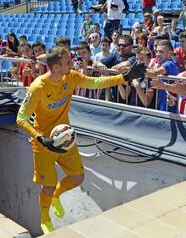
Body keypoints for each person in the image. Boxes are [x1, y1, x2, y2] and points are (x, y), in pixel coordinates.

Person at [16, 46, 146, 234]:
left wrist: (125, 77)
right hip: (43, 143)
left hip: (64, 138)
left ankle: (56, 197)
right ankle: (45, 217)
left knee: (77, 177)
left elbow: (96, 83)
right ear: (55, 67)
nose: (73, 63)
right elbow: (21, 118)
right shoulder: (38, 87)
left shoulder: (72, 77)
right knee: (48, 186)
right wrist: (40, 138)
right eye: (68, 62)